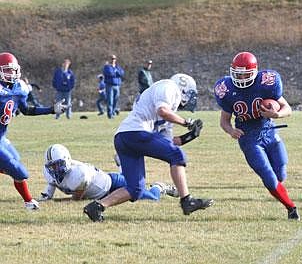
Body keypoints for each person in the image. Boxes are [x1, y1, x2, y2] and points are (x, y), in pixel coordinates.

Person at [83, 73, 213, 222]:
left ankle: (97, 206)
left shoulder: (169, 107)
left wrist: (190, 135)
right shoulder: (169, 87)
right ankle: (186, 200)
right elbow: (162, 111)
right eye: (189, 93)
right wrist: (186, 122)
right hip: (135, 133)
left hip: (124, 138)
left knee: (136, 189)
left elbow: (168, 142)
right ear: (183, 88)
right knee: (178, 155)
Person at [214, 51, 299, 220]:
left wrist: (276, 115)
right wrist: (231, 131)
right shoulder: (227, 89)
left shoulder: (267, 83)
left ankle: (278, 191)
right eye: (238, 74)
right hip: (248, 137)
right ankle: (291, 208)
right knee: (267, 174)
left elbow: (287, 109)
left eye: (245, 73)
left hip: (269, 130)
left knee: (280, 174)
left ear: (254, 71)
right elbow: (224, 121)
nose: (241, 77)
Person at [0, 52, 67, 210]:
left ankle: (29, 202)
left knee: (15, 160)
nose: (12, 73)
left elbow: (27, 110)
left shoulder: (19, 88)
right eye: (7, 70)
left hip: (2, 137)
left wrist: (51, 109)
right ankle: (29, 202)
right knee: (21, 173)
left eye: (13, 70)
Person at [39, 144, 178, 201]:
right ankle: (122, 164)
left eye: (58, 165)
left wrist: (57, 201)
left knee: (152, 198)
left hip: (112, 185)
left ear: (66, 160)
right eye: (52, 166)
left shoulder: (78, 174)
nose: (55, 170)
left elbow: (75, 200)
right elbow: (51, 185)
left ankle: (159, 187)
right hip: (104, 185)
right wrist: (47, 197)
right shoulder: (49, 172)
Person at [103, 54, 125, 119]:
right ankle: (110, 114)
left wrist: (116, 72)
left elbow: (121, 73)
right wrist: (116, 73)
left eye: (114, 59)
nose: (113, 60)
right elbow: (110, 73)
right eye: (112, 59)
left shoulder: (117, 67)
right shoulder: (107, 67)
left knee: (116, 99)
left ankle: (113, 112)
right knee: (110, 100)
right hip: (109, 85)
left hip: (117, 85)